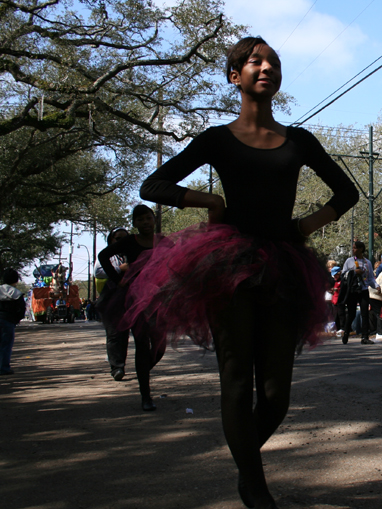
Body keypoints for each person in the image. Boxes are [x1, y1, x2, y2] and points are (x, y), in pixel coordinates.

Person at [121, 37, 358, 508]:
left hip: (285, 266)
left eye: (273, 62)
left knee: (276, 395)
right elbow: (154, 184)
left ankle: (245, 465)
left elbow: (346, 193)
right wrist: (209, 201)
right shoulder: (216, 139)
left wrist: (306, 224)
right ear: (236, 76)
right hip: (228, 266)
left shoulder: (300, 140)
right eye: (255, 61)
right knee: (236, 379)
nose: (266, 67)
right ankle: (256, 488)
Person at [98, 206, 165, 410]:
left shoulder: (163, 241)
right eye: (140, 219)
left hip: (158, 298)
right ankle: (146, 396)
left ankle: (142, 370)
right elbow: (103, 256)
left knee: (159, 347)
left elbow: (177, 261)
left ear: (154, 220)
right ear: (135, 223)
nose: (145, 222)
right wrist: (118, 280)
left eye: (148, 218)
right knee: (142, 345)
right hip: (134, 299)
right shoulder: (129, 242)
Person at [94, 227, 130, 381]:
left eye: (124, 238)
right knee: (113, 334)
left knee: (124, 334)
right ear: (111, 241)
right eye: (117, 238)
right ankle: (116, 367)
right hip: (110, 300)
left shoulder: (131, 255)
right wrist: (119, 268)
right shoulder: (106, 255)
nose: (121, 242)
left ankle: (121, 363)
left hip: (128, 300)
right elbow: (98, 271)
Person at [342, 241, 377, 345]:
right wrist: (353, 272)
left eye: (355, 248)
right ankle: (346, 332)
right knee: (352, 314)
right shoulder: (349, 261)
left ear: (361, 249)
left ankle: (365, 336)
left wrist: (377, 286)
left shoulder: (367, 263)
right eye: (353, 248)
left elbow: (370, 278)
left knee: (364, 313)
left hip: (363, 289)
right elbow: (343, 274)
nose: (353, 250)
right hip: (353, 290)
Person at [0, 268, 26, 375]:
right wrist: (16, 320)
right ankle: (4, 368)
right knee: (6, 345)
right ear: (16, 280)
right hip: (8, 322)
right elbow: (21, 309)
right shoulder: (17, 294)